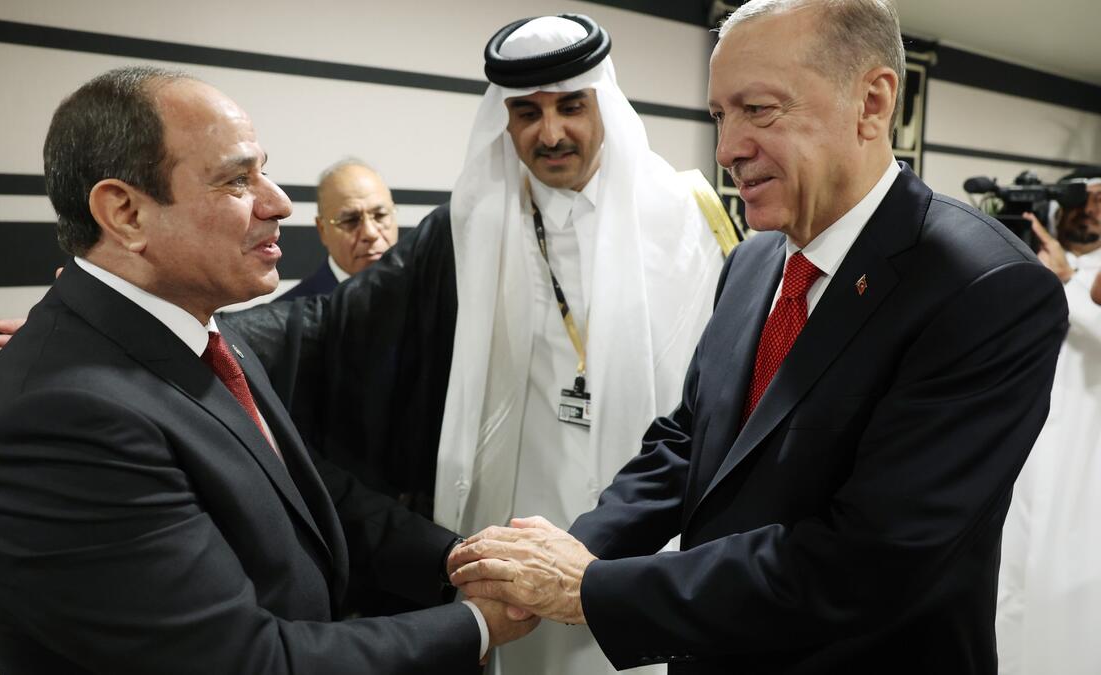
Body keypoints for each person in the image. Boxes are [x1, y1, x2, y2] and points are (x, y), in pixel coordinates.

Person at [449, 1, 1068, 673]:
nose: (726, 149)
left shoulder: (986, 288)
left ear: (872, 101)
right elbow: (692, 441)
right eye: (720, 115)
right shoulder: (755, 259)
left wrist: (587, 588)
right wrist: (569, 549)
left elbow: (865, 561)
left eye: (760, 110)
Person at [0, 66, 536, 674]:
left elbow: (290, 493)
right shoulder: (62, 422)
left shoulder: (197, 335)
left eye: (264, 171)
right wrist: (476, 625)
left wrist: (460, 559)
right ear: (124, 212)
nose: (278, 203)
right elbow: (245, 663)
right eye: (236, 180)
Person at [224, 13, 731, 674]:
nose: (550, 132)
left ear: (602, 101)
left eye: (570, 106)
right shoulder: (469, 227)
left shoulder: (688, 218)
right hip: (515, 525)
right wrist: (191, 331)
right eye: (527, 112)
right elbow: (326, 323)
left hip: (647, 526)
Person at [997, 178, 1101, 675]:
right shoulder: (1026, 261)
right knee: (1007, 586)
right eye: (1082, 202)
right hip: (1018, 455)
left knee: (1068, 602)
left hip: (1082, 466)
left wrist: (1064, 282)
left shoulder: (1085, 279)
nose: (1090, 213)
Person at [276, 159, 398, 300]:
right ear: (322, 229)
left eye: (380, 215)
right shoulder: (289, 315)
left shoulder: (425, 296)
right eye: (350, 220)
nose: (370, 233)